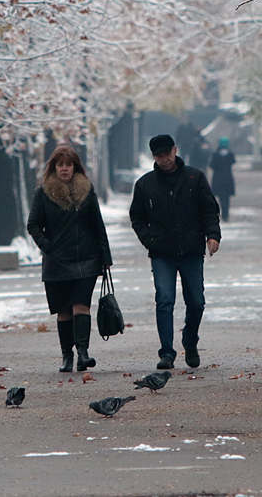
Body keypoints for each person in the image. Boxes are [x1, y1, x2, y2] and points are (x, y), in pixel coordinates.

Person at [130, 134, 221, 370]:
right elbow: (137, 217)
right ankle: (167, 352)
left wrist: (212, 235)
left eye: (167, 154)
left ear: (175, 150)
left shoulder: (194, 177)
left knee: (196, 302)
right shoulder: (145, 184)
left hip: (191, 251)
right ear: (153, 157)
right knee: (165, 300)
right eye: (159, 156)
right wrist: (148, 239)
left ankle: (190, 341)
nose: (164, 160)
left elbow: (209, 209)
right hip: (162, 253)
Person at [27, 145, 113, 373]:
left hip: (87, 259)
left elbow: (97, 225)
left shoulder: (87, 191)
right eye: (60, 164)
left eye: (69, 164)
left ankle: (83, 353)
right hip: (57, 262)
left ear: (75, 167)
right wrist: (48, 246)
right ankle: (67, 356)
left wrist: (105, 257)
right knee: (63, 310)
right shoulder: (43, 193)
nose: (64, 169)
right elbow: (33, 224)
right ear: (54, 167)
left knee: (81, 305)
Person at [208, 136, 237, 222]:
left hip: (218, 178)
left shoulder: (215, 155)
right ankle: (226, 214)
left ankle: (221, 214)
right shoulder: (230, 155)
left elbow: (212, 165)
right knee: (227, 198)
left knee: (220, 198)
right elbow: (233, 162)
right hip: (228, 178)